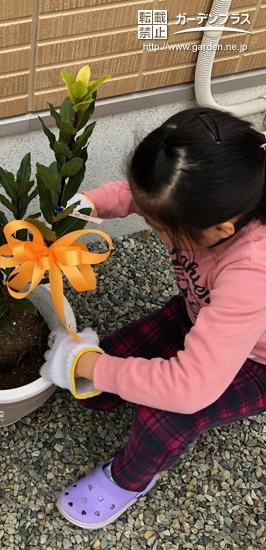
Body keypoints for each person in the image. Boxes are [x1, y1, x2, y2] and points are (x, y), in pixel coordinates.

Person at [41, 107, 266, 529]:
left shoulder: (253, 270)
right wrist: (90, 202)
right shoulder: (208, 194)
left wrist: (89, 364)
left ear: (220, 230)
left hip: (256, 362)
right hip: (200, 314)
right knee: (114, 361)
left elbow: (190, 388)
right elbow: (141, 195)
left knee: (163, 419)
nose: (154, 231)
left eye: (160, 228)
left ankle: (128, 481)